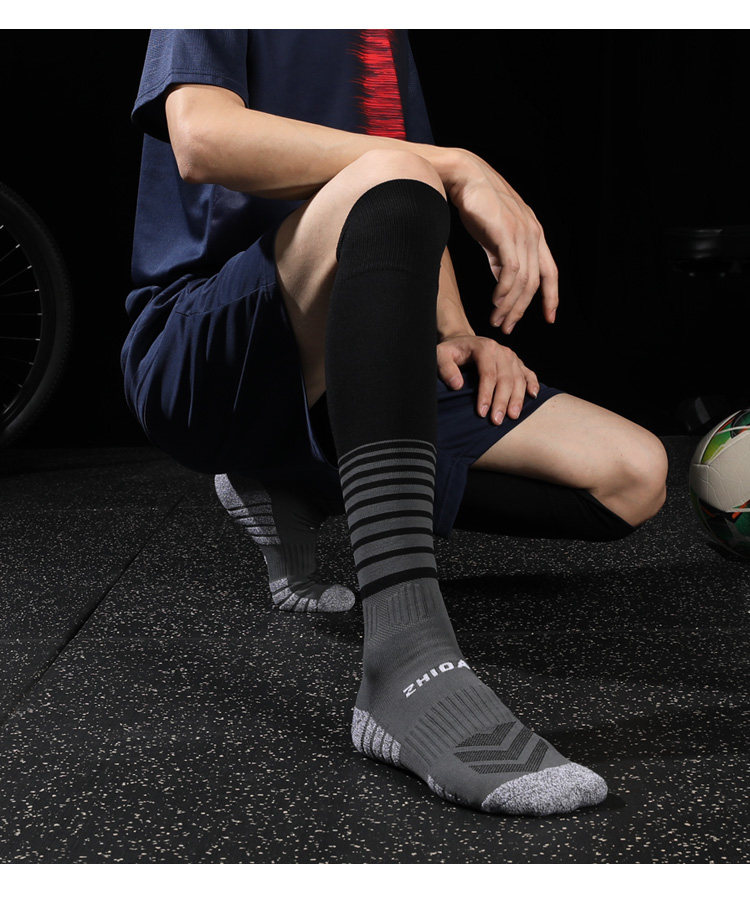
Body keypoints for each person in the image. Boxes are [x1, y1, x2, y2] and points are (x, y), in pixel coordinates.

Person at [122, 29, 668, 816]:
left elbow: (407, 208)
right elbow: (203, 139)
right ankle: (405, 662)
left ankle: (296, 481)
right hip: (203, 354)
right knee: (398, 171)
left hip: (349, 359)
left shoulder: (380, 32)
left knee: (633, 474)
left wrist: (458, 333)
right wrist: (455, 164)